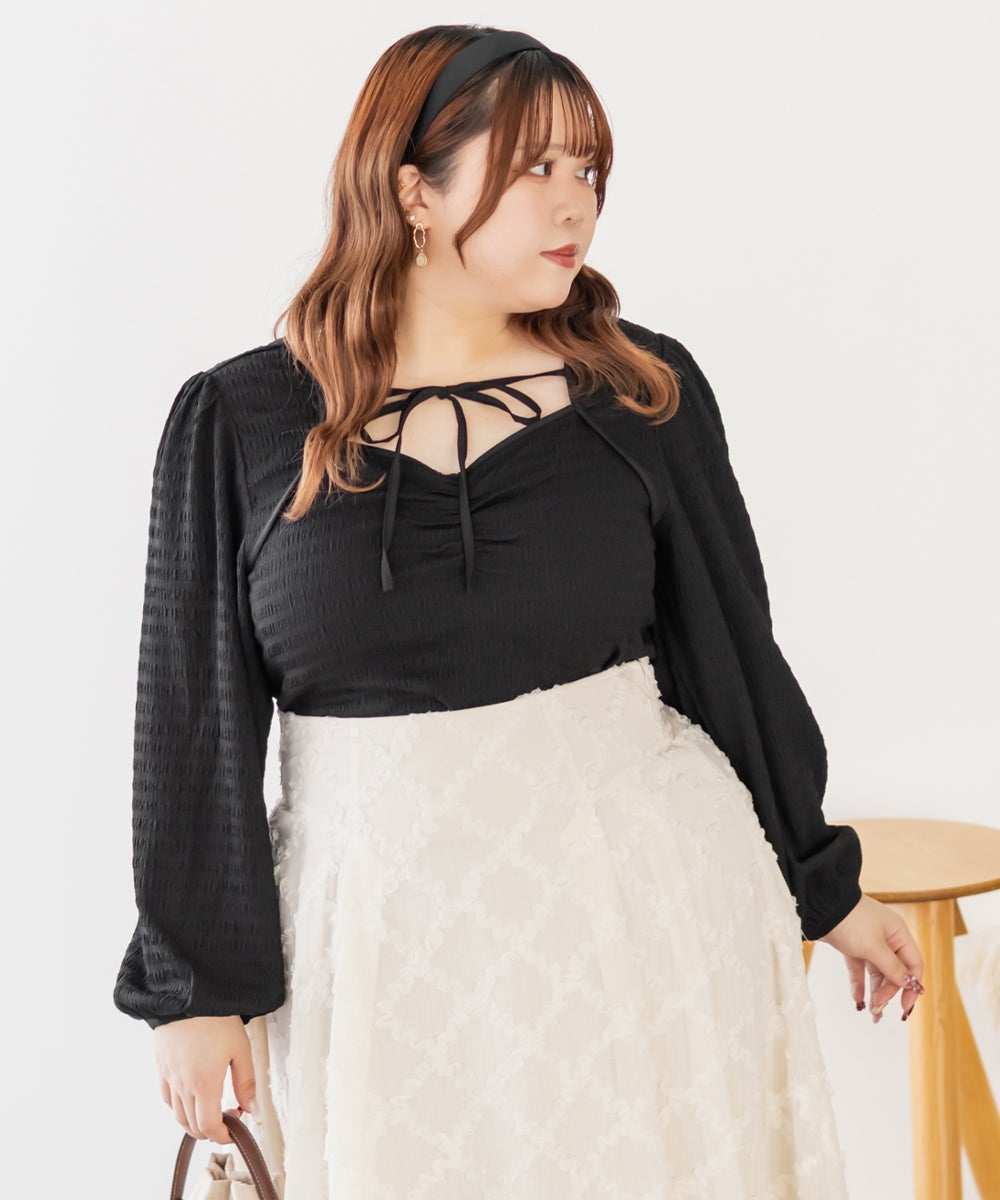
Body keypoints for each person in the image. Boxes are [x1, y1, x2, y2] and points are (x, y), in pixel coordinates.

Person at [113, 23, 926, 1198]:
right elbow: (193, 726)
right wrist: (194, 994)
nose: (574, 201)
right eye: (534, 165)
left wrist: (824, 884)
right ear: (414, 190)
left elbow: (731, 657)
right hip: (382, 955)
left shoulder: (641, 390)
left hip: (642, 915)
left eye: (586, 167)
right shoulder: (241, 420)